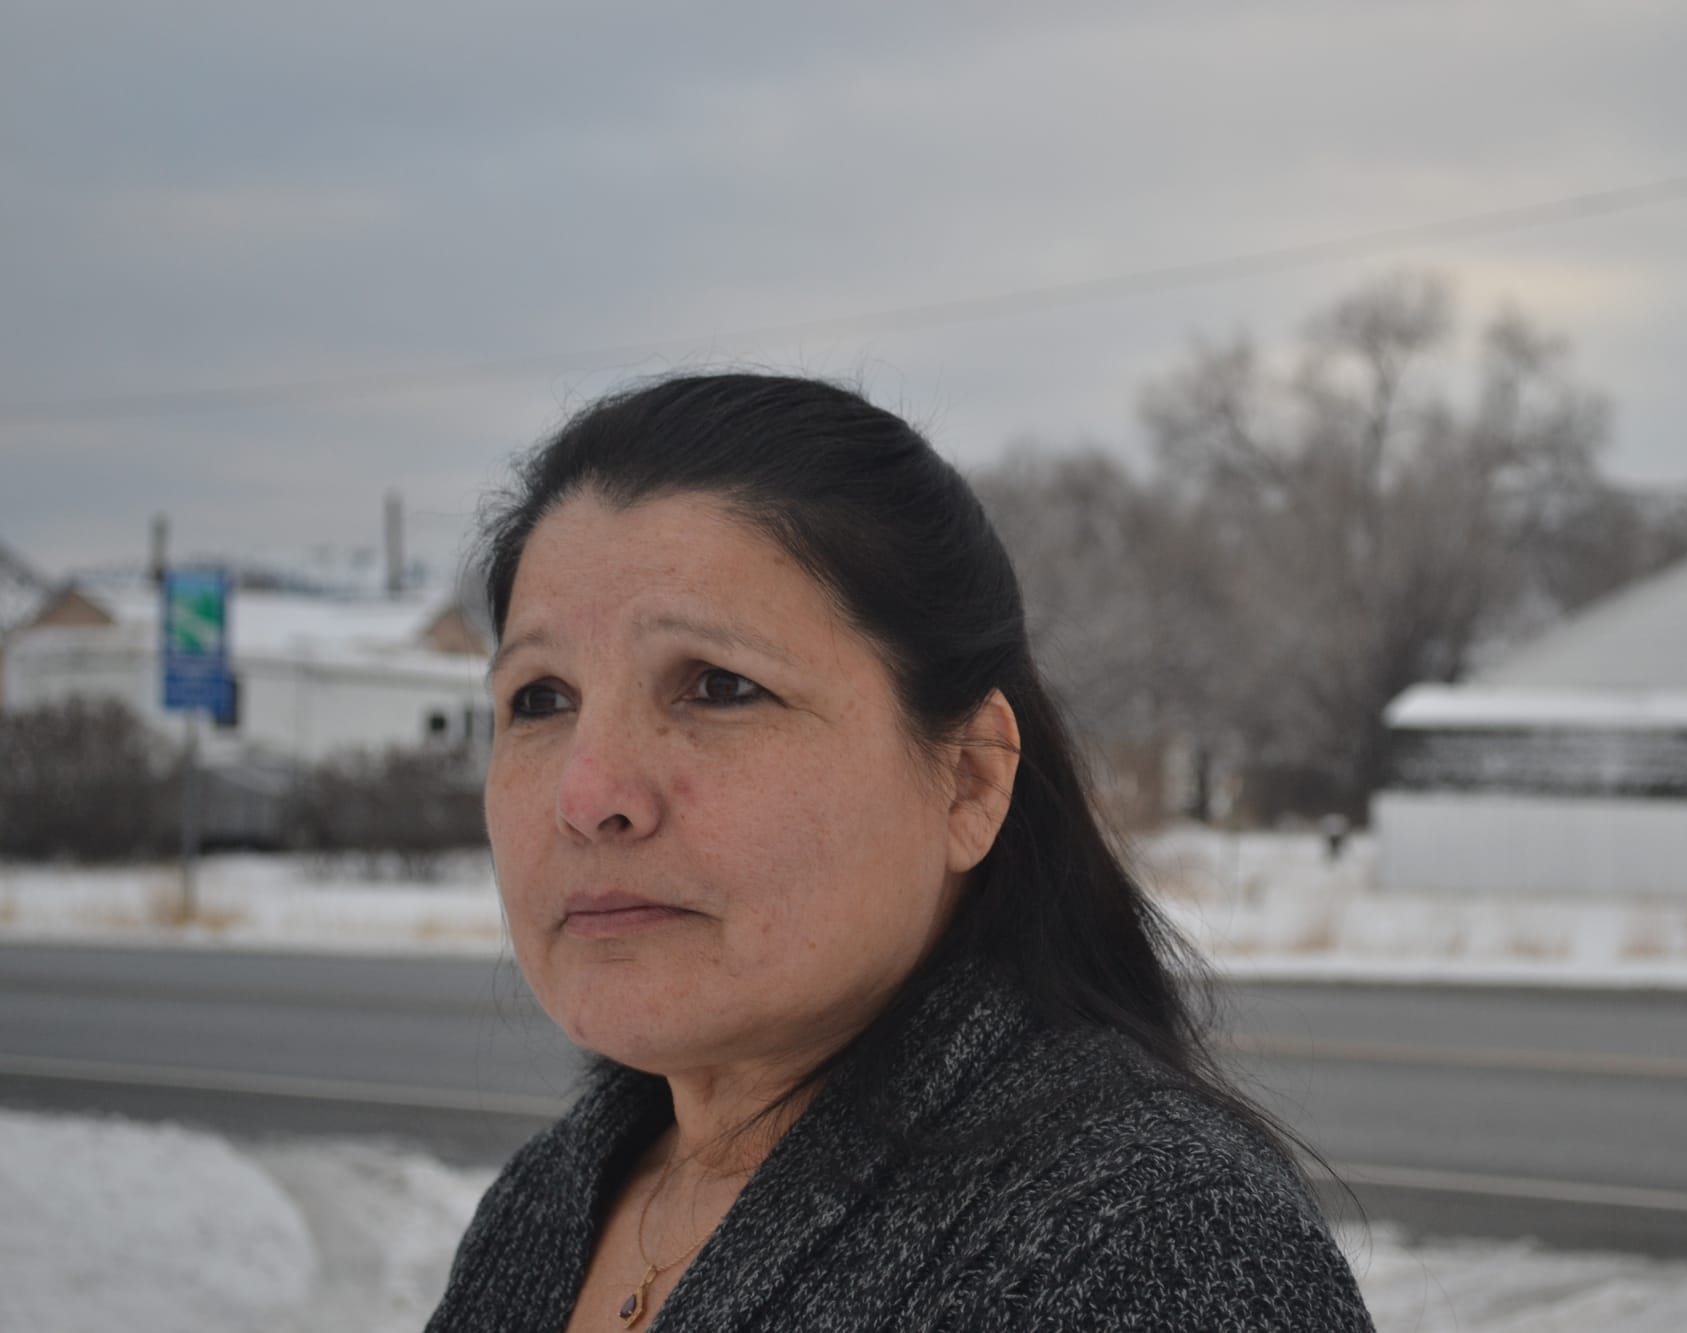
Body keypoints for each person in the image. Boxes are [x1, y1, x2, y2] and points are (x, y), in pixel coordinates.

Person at [427, 374, 1374, 1332]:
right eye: (541, 698)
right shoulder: (546, 1205)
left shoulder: (1147, 1247)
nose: (588, 798)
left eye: (718, 686)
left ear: (967, 779)